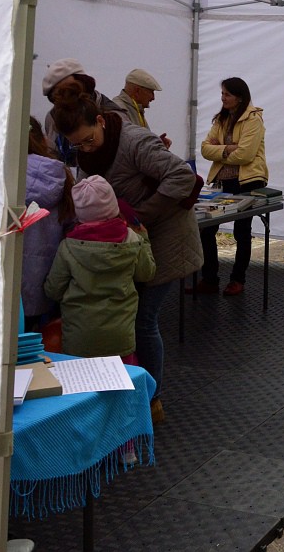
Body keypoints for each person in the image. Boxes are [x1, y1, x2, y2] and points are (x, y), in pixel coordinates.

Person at [51, 81, 202, 423]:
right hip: (132, 238)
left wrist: (140, 216)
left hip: (165, 237)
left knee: (142, 320)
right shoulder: (86, 153)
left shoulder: (136, 141)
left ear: (101, 121)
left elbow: (182, 176)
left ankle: (152, 401)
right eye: (77, 145)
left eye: (89, 139)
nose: (85, 149)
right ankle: (121, 398)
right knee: (128, 319)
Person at [42, 176, 156, 360]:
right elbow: (147, 273)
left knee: (82, 385)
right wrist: (145, 239)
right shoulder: (133, 240)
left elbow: (53, 290)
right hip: (121, 337)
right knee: (121, 383)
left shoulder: (69, 246)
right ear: (113, 207)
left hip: (79, 337)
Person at [198, 77, 268, 296]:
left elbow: (246, 155)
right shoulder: (221, 119)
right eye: (222, 94)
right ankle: (210, 279)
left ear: (239, 97)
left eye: (227, 94)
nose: (223, 97)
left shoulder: (253, 120)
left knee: (242, 231)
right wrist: (230, 148)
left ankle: (238, 279)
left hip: (247, 182)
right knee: (207, 229)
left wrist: (220, 151)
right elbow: (204, 149)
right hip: (222, 183)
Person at [22, 117, 74, 331]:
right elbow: (72, 224)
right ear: (42, 138)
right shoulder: (60, 175)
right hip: (48, 278)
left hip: (4, 282)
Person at [42, 58, 121, 165]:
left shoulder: (113, 116)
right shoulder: (52, 118)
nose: (66, 95)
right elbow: (52, 153)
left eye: (70, 89)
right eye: (60, 93)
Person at [113, 68, 172, 150]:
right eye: (151, 92)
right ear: (137, 91)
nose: (153, 98)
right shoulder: (119, 110)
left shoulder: (135, 109)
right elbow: (126, 147)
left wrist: (156, 144)